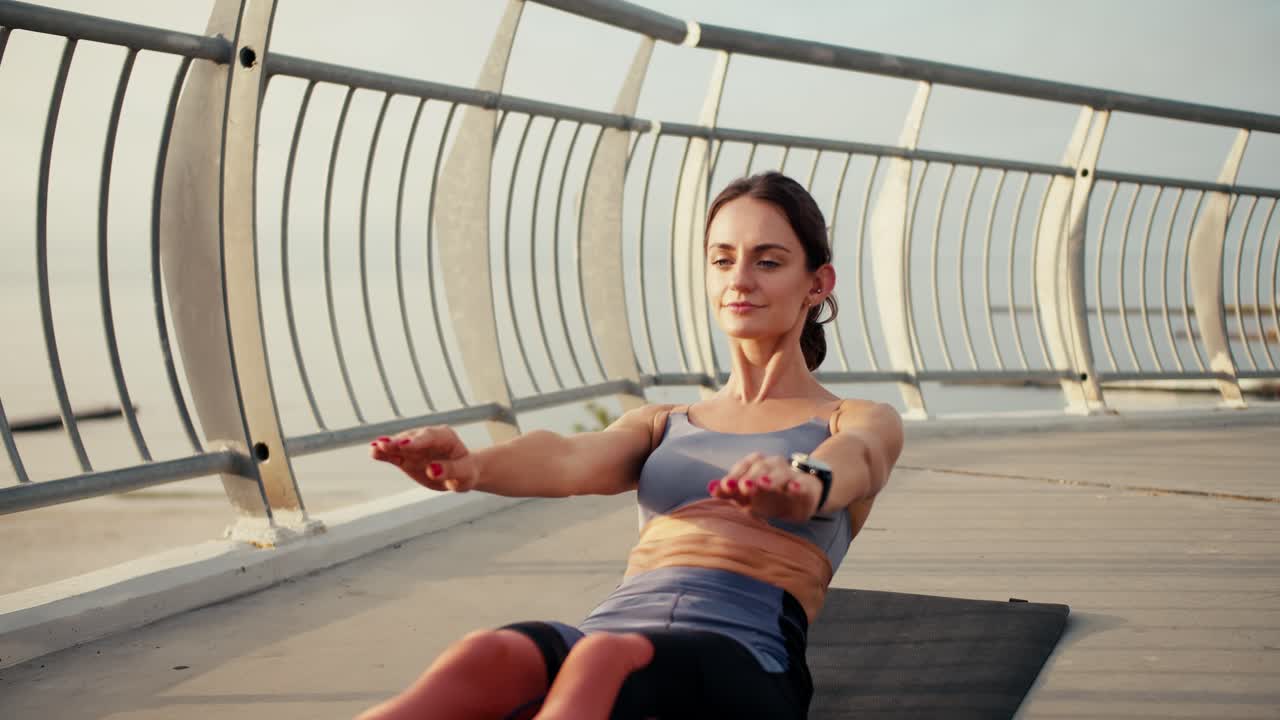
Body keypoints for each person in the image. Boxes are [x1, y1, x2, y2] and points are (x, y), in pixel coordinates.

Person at [360, 171, 904, 720]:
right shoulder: (662, 423)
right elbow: (568, 458)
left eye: (767, 261)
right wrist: (470, 467)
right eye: (722, 260)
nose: (739, 280)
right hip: (607, 634)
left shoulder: (852, 418)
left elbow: (858, 457)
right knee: (489, 653)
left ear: (817, 283)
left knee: (604, 662)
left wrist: (805, 483)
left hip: (748, 659)